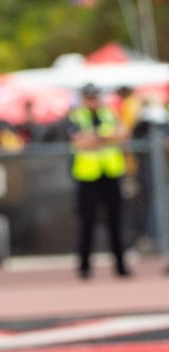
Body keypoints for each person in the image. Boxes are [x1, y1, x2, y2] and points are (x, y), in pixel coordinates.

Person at [68, 83, 132, 280]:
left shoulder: (109, 113)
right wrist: (107, 137)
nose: (92, 101)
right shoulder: (76, 117)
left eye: (95, 97)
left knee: (116, 222)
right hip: (87, 177)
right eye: (89, 97)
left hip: (111, 174)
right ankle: (85, 267)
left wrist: (98, 138)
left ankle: (121, 266)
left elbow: (123, 134)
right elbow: (80, 142)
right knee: (87, 223)